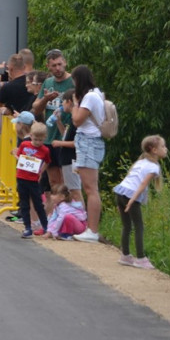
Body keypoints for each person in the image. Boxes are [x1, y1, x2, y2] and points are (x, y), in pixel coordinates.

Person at [113, 135, 167, 269]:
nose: (165, 149)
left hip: (120, 192)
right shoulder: (153, 167)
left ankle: (125, 256)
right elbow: (142, 184)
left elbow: (129, 179)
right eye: (163, 146)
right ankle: (140, 258)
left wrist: (120, 202)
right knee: (139, 226)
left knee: (127, 226)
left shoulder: (140, 162)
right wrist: (131, 200)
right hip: (130, 195)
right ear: (153, 150)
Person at [69, 65, 106, 243]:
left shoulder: (89, 97)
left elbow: (77, 120)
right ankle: (91, 228)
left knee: (90, 189)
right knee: (90, 188)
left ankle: (92, 230)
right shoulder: (97, 93)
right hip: (90, 142)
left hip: (88, 142)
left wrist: (75, 104)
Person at [31, 49, 73, 186]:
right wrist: (46, 99)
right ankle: (58, 207)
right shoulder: (48, 83)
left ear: (65, 63)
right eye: (54, 65)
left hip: (67, 137)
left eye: (60, 64)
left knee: (68, 181)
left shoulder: (73, 81)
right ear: (48, 66)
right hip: (49, 138)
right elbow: (36, 108)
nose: (58, 68)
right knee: (54, 181)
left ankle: (71, 207)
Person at [14, 122, 51, 238]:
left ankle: (45, 226)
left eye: (41, 140)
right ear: (31, 135)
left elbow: (48, 161)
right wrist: (19, 159)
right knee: (24, 204)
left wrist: (41, 171)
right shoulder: (24, 145)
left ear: (44, 138)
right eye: (35, 140)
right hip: (21, 177)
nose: (38, 142)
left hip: (34, 180)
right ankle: (27, 227)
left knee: (38, 204)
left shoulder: (45, 150)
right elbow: (19, 156)